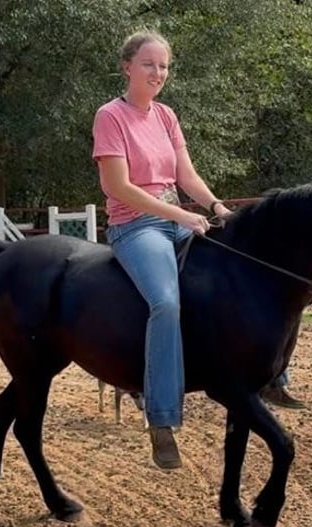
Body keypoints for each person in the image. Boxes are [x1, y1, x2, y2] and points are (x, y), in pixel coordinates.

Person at [92, 29, 231, 470]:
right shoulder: (110, 116)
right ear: (127, 67)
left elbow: (186, 176)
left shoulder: (167, 116)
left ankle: (266, 375)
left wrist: (216, 206)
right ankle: (162, 418)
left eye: (164, 66)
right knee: (166, 303)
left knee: (231, 274)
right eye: (149, 64)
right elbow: (118, 187)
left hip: (177, 220)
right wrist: (179, 215)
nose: (158, 73)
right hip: (136, 226)